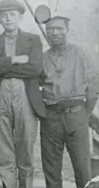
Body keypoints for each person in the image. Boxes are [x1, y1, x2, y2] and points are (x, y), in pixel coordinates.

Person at [0, 0, 46, 188]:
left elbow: (35, 69)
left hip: (25, 95)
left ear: (20, 17)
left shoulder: (33, 40)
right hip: (0, 97)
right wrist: (15, 60)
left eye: (12, 14)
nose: (8, 18)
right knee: (4, 150)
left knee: (25, 148)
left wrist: (0, 64)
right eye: (4, 15)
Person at [40, 15, 99, 188]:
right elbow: (36, 87)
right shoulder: (43, 58)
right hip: (51, 118)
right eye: (50, 29)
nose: (54, 33)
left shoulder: (81, 53)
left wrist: (84, 114)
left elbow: (94, 86)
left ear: (67, 30)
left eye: (59, 28)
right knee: (51, 169)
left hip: (76, 114)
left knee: (83, 169)